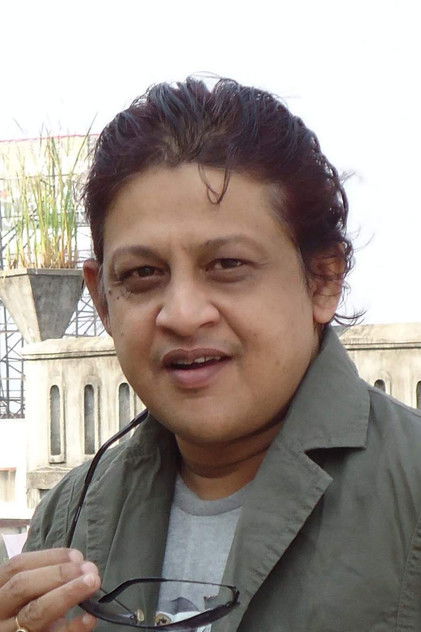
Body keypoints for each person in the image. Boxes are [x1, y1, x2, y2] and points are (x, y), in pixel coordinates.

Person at [0, 77, 420, 632]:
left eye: (227, 265)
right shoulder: (70, 519)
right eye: (142, 274)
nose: (182, 314)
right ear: (102, 300)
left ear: (323, 279)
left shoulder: (409, 493)